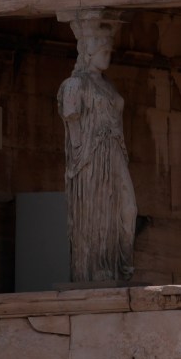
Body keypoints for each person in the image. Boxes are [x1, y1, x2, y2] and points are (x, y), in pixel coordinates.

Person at [58, 14, 137, 282]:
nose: (108, 56)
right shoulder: (74, 85)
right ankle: (96, 267)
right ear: (89, 52)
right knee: (98, 212)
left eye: (109, 51)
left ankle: (121, 264)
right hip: (91, 158)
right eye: (104, 51)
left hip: (114, 152)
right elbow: (73, 130)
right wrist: (83, 159)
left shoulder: (108, 85)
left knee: (128, 209)